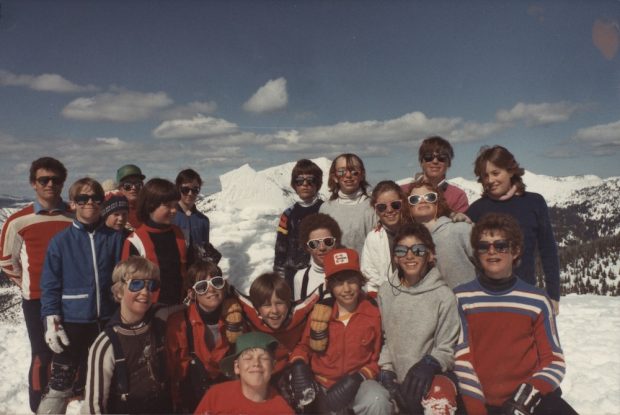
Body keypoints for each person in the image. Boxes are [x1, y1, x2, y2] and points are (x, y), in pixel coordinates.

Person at [454, 213, 576, 415]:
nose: (492, 252)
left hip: (526, 400)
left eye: (501, 245)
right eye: (484, 246)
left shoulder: (536, 300)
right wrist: (476, 409)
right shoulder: (462, 297)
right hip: (476, 400)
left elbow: (553, 360)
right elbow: (461, 358)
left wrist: (524, 399)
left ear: (515, 251)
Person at [37, 178, 124, 414]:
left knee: (106, 380)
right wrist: (51, 320)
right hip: (72, 321)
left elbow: (122, 278)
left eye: (95, 198)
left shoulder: (115, 238)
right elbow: (51, 285)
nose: (90, 203)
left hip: (106, 319)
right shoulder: (61, 242)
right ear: (73, 204)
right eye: (82, 199)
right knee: (61, 381)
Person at [0, 157, 74, 412]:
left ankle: (64, 400)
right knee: (42, 354)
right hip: (37, 299)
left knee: (66, 351)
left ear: (63, 182)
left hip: (71, 297)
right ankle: (36, 404)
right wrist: (28, 284)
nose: (50, 184)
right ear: (34, 183)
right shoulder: (18, 220)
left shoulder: (73, 215)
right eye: (44, 179)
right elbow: (7, 261)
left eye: (56, 179)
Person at [290, 248, 391, 414]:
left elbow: (378, 357)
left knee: (377, 400)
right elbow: (303, 346)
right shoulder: (320, 312)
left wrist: (359, 377)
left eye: (351, 281)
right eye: (339, 282)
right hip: (322, 383)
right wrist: (299, 363)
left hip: (358, 384)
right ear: (330, 285)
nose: (346, 289)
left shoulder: (373, 313)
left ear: (360, 281)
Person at [466, 145, 561, 314]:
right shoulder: (476, 210)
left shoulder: (534, 203)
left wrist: (553, 294)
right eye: (485, 175)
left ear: (511, 171)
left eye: (496, 173)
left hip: (525, 293)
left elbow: (548, 250)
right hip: (486, 296)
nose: (490, 180)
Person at [377, 223, 460, 414]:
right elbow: (386, 338)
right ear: (396, 258)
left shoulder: (443, 296)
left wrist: (429, 364)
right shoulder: (386, 292)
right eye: (402, 250)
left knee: (439, 402)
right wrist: (387, 371)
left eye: (418, 250)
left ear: (430, 255)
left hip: (429, 378)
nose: (409, 256)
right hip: (396, 377)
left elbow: (446, 347)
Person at [81, 257, 177, 414]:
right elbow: (93, 407)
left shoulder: (159, 320)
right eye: (136, 284)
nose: (145, 292)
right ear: (119, 292)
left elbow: (193, 310)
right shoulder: (107, 344)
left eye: (150, 285)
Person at [165, 261, 235, 413]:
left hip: (226, 399)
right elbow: (172, 371)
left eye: (216, 282)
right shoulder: (179, 324)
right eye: (202, 286)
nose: (211, 289)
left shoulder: (235, 317)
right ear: (191, 293)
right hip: (193, 401)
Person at [235, 272, 319, 376]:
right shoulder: (250, 314)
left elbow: (321, 293)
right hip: (259, 372)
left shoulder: (299, 313)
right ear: (257, 308)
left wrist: (298, 361)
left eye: (279, 303)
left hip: (291, 369)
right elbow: (230, 292)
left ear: (288, 303)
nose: (274, 310)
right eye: (266, 305)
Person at [193, 332, 294, 415]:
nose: (256, 363)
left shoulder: (282, 410)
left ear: (273, 367)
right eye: (248, 358)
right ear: (237, 367)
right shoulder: (216, 396)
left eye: (264, 358)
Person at [122, 178, 187, 305]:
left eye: (175, 205)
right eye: (168, 206)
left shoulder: (180, 234)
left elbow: (188, 269)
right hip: (149, 311)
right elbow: (126, 284)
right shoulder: (135, 241)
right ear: (151, 205)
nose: (174, 210)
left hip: (179, 307)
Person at [408, 180, 477, 288]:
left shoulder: (460, 229)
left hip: (469, 302)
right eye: (414, 199)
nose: (422, 201)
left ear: (438, 203)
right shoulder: (409, 243)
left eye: (430, 197)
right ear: (409, 207)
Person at [274, 159, 324, 288]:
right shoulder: (288, 214)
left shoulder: (326, 210)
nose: (305, 184)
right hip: (292, 275)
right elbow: (281, 247)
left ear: (317, 184)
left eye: (310, 180)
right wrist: (279, 276)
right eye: (299, 181)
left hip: (320, 273)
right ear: (294, 185)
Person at [319, 153, 376, 254]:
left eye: (354, 171)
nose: (348, 175)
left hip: (364, 268)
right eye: (341, 171)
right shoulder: (326, 209)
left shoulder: (373, 207)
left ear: (362, 175)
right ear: (334, 177)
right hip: (334, 268)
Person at [361, 180, 410, 293]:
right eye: (382, 207)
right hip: (385, 297)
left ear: (403, 204)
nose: (389, 210)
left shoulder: (416, 233)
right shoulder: (373, 238)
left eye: (395, 205)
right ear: (375, 209)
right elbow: (369, 275)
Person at [402, 136, 469, 213]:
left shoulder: (458, 196)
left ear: (449, 163)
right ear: (421, 162)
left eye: (442, 158)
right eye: (428, 157)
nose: (435, 161)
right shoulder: (403, 192)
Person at [293, 212, 341, 300]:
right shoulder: (301, 278)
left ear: (336, 243)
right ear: (307, 247)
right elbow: (300, 311)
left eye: (328, 241)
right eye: (314, 243)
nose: (322, 248)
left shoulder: (346, 274)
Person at [172, 169, 216, 266]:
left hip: (197, 273)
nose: (190, 193)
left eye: (195, 189)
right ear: (177, 188)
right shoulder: (169, 216)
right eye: (185, 189)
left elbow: (205, 249)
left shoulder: (203, 220)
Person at [113, 164, 145, 230]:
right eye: (127, 185)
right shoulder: (112, 211)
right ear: (120, 188)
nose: (134, 188)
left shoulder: (150, 210)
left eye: (138, 184)